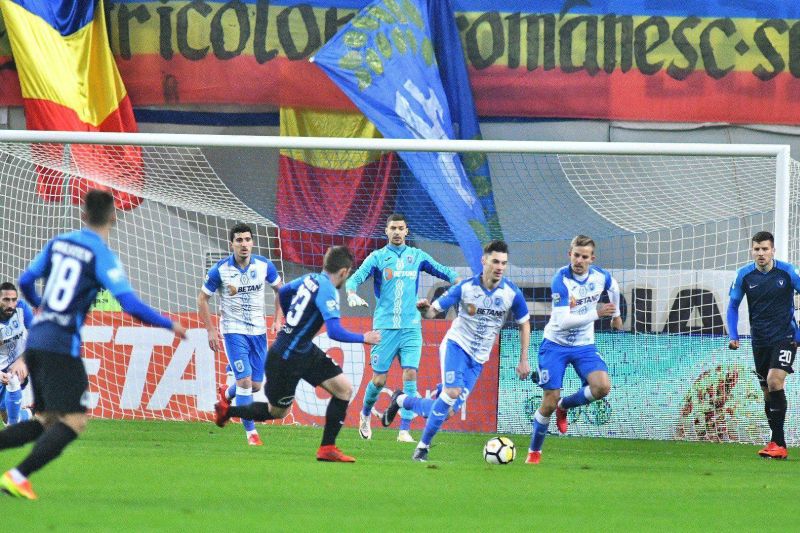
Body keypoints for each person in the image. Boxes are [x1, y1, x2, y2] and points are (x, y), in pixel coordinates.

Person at [0, 189, 187, 500]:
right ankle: (17, 477)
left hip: (36, 341)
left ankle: (17, 476)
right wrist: (169, 324)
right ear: (114, 216)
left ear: (83, 215)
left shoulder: (59, 243)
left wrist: (41, 306)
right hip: (61, 346)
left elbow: (26, 281)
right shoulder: (102, 255)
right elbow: (130, 304)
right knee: (74, 422)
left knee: (46, 420)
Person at [214, 246, 381, 462]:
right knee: (277, 412)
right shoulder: (328, 290)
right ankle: (227, 411)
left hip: (303, 350)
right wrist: (363, 337)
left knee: (344, 389)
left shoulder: (310, 278)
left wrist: (291, 323)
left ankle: (327, 448)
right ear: (343, 272)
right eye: (348, 274)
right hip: (286, 358)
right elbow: (334, 331)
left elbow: (284, 292)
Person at [382, 240, 530, 462]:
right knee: (451, 392)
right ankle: (422, 448)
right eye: (495, 261)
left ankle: (401, 400)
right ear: (484, 260)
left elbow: (524, 323)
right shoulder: (465, 288)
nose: (500, 267)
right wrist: (424, 309)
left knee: (447, 412)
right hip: (456, 346)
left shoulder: (511, 293)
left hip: (478, 359)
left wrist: (523, 358)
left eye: (504, 263)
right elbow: (432, 312)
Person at [345, 213, 459, 443]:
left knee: (410, 374)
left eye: (401, 228)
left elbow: (450, 274)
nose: (397, 232)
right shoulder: (377, 257)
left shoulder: (417, 256)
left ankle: (404, 431)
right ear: (386, 231)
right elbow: (354, 279)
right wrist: (350, 293)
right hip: (384, 328)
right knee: (379, 380)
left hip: (411, 327)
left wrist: (462, 287)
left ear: (407, 231)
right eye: (393, 228)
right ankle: (365, 415)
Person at [526, 235, 622, 465]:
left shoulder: (600, 276)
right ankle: (534, 452)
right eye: (576, 255)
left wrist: (616, 315)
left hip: (584, 346)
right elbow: (563, 322)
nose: (579, 260)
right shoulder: (561, 280)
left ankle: (565, 406)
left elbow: (614, 286)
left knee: (602, 387)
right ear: (569, 254)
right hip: (555, 345)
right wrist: (597, 313)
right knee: (549, 402)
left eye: (584, 257)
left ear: (592, 259)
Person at [198, 223, 283, 446]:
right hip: (233, 331)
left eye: (247, 239)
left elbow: (280, 290)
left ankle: (227, 393)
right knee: (245, 382)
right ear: (232, 244)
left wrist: (278, 318)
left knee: (255, 385)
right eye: (239, 240)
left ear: (252, 242)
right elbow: (202, 298)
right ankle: (251, 434)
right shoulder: (220, 270)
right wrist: (211, 330)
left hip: (258, 332)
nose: (244, 244)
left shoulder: (264, 265)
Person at [727, 231, 800, 459]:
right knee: (768, 392)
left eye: (765, 249)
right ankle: (776, 442)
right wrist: (733, 334)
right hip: (759, 340)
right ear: (752, 251)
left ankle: (778, 444)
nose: (761, 253)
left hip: (786, 337)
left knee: (774, 381)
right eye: (757, 249)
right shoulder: (744, 275)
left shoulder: (788, 272)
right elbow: (733, 306)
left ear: (773, 250)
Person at [0, 282, 32, 425]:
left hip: (19, 363)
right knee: (8, 419)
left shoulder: (22, 308)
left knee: (12, 379)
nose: (11, 304)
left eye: (14, 300)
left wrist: (22, 360)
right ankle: (30, 412)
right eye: (6, 300)